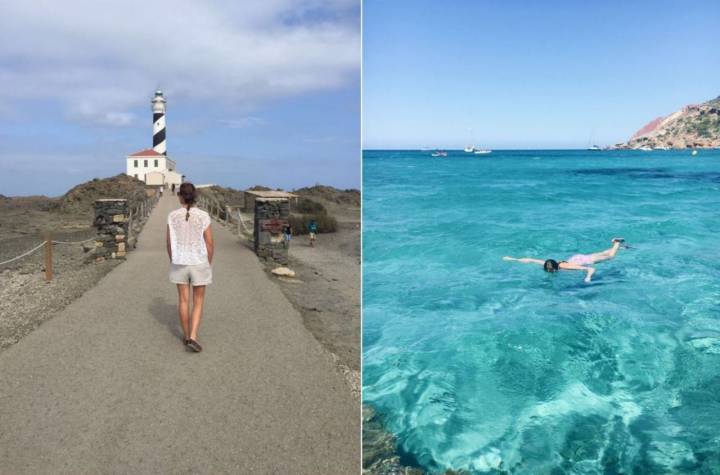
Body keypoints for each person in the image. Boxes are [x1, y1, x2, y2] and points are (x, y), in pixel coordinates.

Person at [166, 182, 214, 352]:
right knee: (198, 301)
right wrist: (207, 262)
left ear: (180, 196)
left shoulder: (172, 216)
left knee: (183, 300)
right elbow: (209, 243)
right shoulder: (203, 215)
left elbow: (169, 243)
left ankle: (186, 336)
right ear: (194, 197)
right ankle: (193, 335)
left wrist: (174, 259)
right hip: (199, 261)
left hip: (179, 262)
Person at [503, 238, 626, 283]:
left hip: (586, 260)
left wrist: (588, 278)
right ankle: (617, 245)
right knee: (603, 253)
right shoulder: (550, 263)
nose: (551, 272)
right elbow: (530, 260)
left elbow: (590, 268)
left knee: (610, 256)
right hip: (578, 258)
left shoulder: (565, 267)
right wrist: (513, 259)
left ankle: (617, 243)